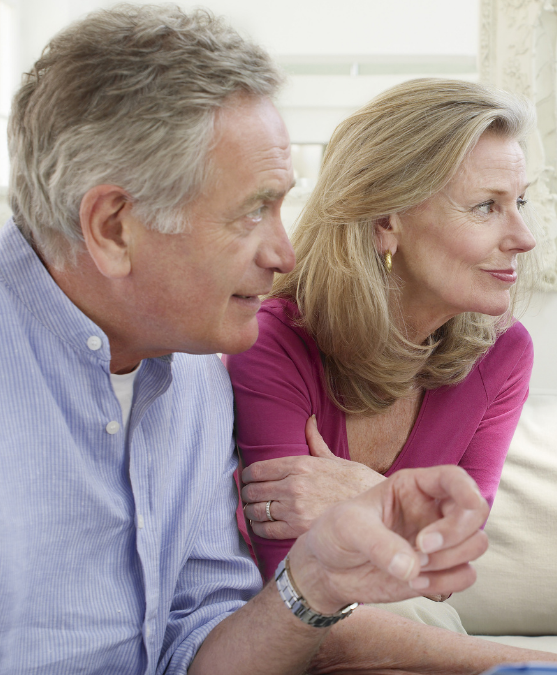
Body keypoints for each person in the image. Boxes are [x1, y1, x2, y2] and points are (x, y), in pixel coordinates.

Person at [0, 6, 557, 673]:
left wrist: (317, 579)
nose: (284, 253)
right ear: (114, 227)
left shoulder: (195, 376)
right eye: (252, 211)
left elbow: (200, 656)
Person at [225, 78, 537, 632]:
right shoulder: (274, 342)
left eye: (521, 202)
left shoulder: (504, 353)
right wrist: (418, 521)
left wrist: (366, 497)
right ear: (387, 222)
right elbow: (299, 595)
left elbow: (454, 561)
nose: (523, 236)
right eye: (486, 207)